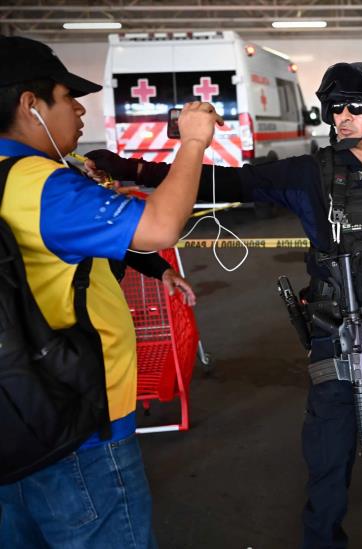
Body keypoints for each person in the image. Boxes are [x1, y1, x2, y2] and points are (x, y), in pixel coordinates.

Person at [89, 61, 362, 549]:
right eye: (335, 109)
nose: (342, 117)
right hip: (334, 327)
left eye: (356, 107)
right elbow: (227, 183)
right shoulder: (311, 174)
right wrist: (132, 169)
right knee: (329, 446)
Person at [0, 35, 219, 548]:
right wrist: (192, 142)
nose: (79, 109)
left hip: (11, 410)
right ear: (30, 105)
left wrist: (151, 267)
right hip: (77, 420)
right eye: (66, 96)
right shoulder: (41, 183)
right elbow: (162, 225)